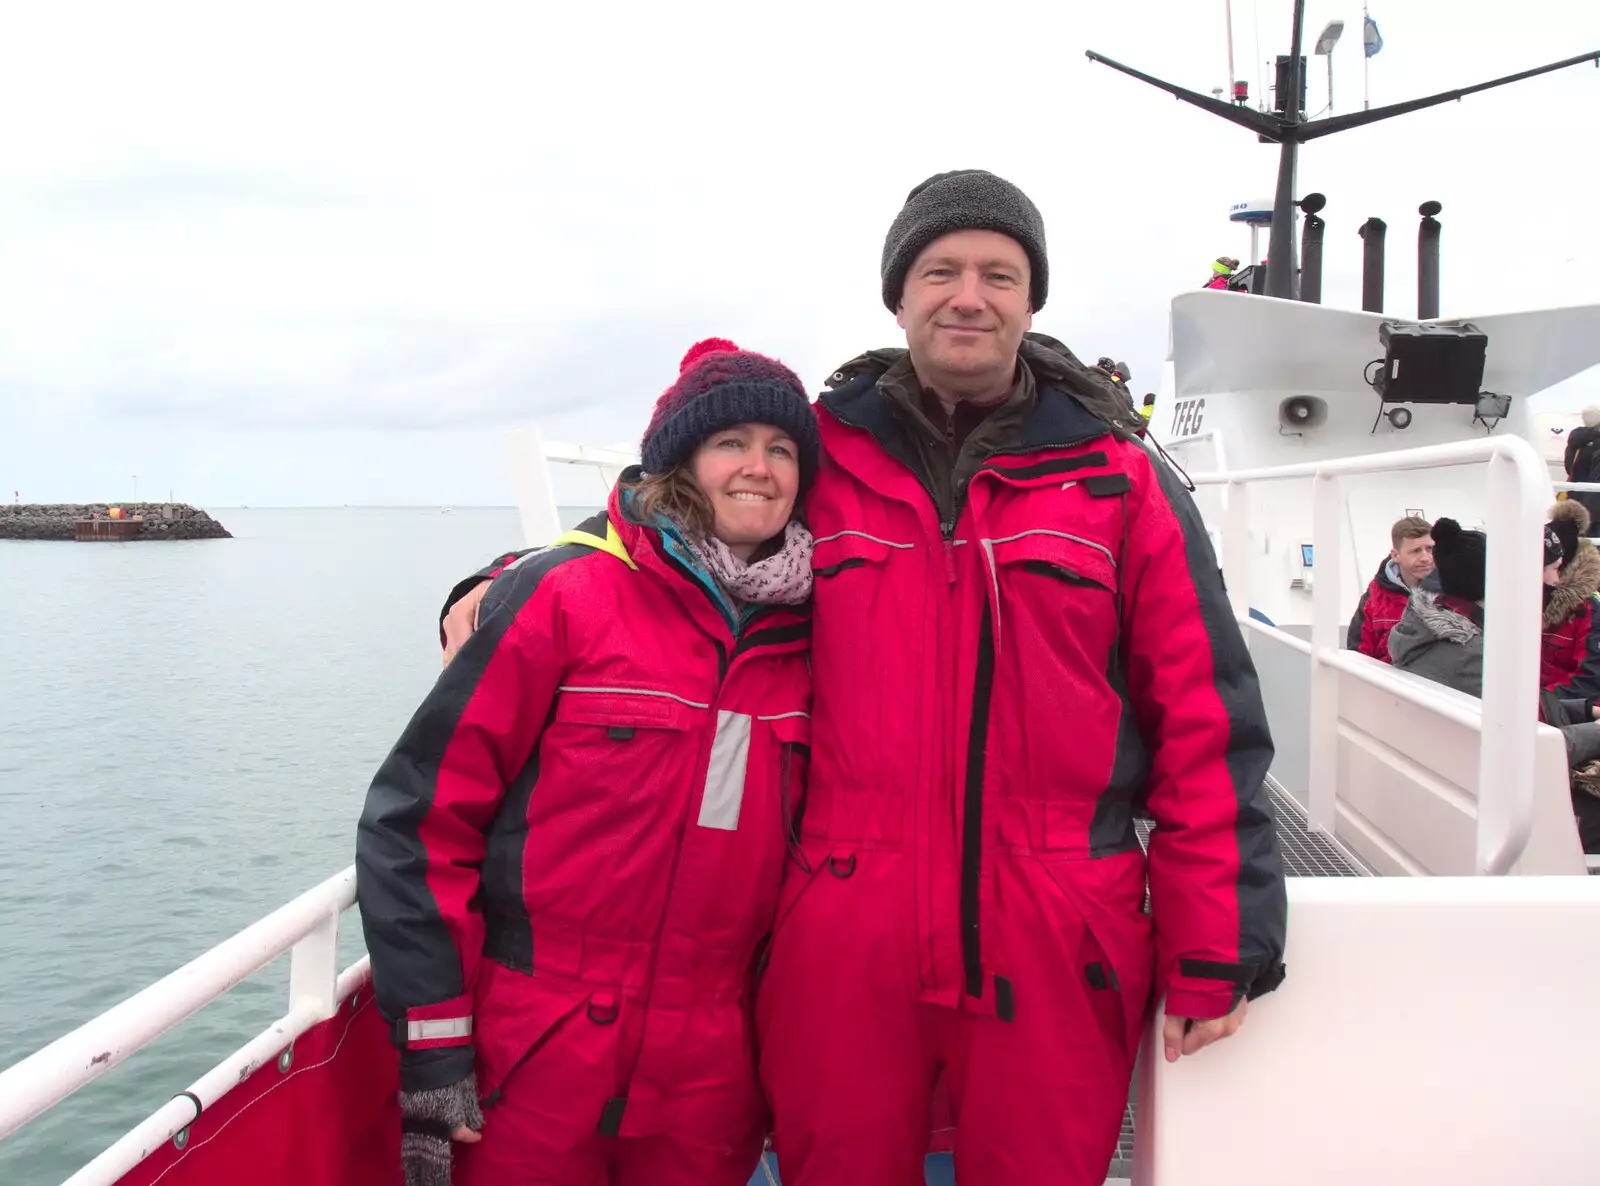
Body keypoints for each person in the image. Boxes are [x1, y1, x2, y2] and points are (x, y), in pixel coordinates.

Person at [439, 169, 1287, 1186]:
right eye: (939, 270)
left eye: (998, 274)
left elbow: (1205, 717)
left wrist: (1216, 939)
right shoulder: (823, 451)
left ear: (1031, 300)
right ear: (898, 294)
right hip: (841, 928)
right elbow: (674, 521)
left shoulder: (1119, 480)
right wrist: (510, 573)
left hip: (1058, 925)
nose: (967, 294)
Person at [357, 339, 820, 1186]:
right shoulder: (563, 598)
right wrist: (433, 1051)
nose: (758, 467)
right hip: (533, 1053)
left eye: (782, 449)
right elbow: (418, 820)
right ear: (683, 460)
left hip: (714, 1072)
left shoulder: (816, 638)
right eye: (731, 443)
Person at [1387, 517, 1600, 853]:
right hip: (1490, 794)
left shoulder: (1429, 634)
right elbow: (1529, 745)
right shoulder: (1474, 655)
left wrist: (1585, 709)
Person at [1346, 515, 1437, 661]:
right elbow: (1358, 657)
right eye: (1416, 551)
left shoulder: (1451, 593)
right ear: (1395, 555)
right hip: (1388, 682)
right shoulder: (1374, 600)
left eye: (1430, 549)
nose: (1426, 557)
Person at [1540, 498, 1600, 698]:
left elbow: (1589, 682)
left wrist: (1537, 704)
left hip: (1567, 716)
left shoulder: (1589, 613)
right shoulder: (1519, 602)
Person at [1562, 406, 1600, 523]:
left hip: (1575, 492)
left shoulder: (1576, 438)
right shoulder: (1597, 443)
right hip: (1594, 499)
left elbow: (1569, 466)